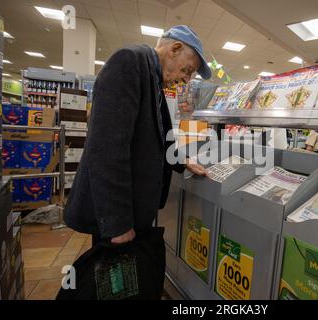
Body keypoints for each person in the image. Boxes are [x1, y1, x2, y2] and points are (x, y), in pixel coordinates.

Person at [64, 26, 211, 247]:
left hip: (134, 210)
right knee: (114, 278)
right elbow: (107, 149)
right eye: (187, 69)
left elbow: (159, 134)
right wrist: (117, 223)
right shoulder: (129, 62)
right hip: (117, 217)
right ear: (175, 49)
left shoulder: (152, 76)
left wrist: (182, 160)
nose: (186, 79)